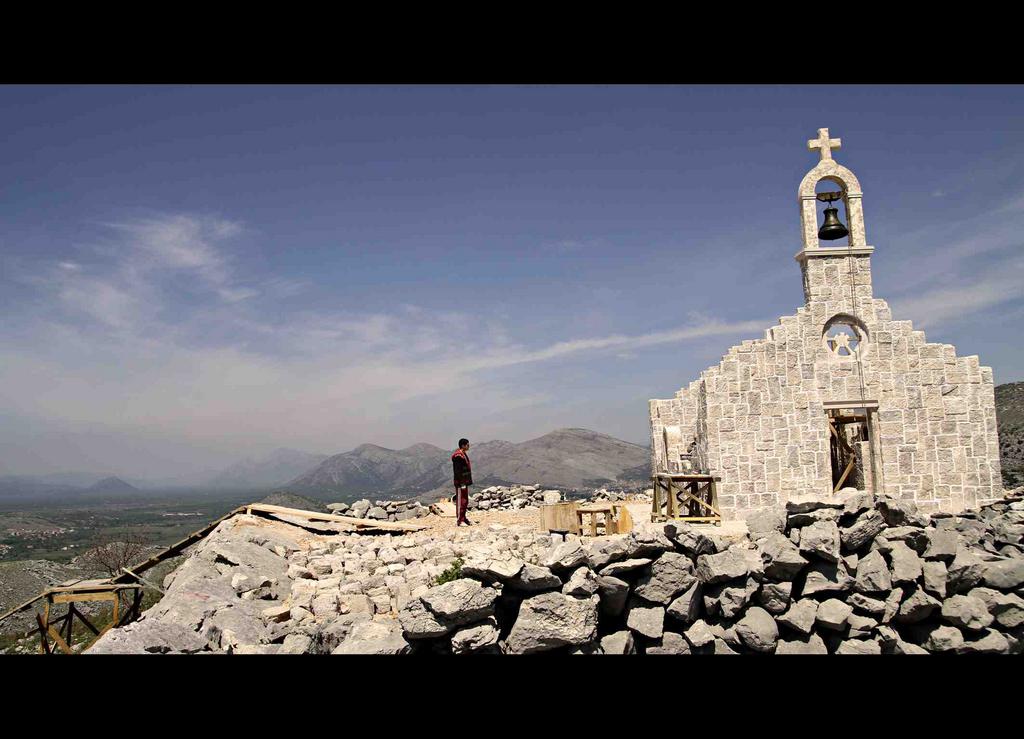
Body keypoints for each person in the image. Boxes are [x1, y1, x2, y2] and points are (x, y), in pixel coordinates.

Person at [451, 438, 473, 526]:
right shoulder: (458, 456)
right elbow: (458, 471)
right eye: (467, 445)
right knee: (461, 501)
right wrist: (461, 482)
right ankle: (460, 520)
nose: (469, 446)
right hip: (461, 482)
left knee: (465, 500)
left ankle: (464, 518)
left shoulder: (463, 454)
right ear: (463, 445)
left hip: (465, 481)